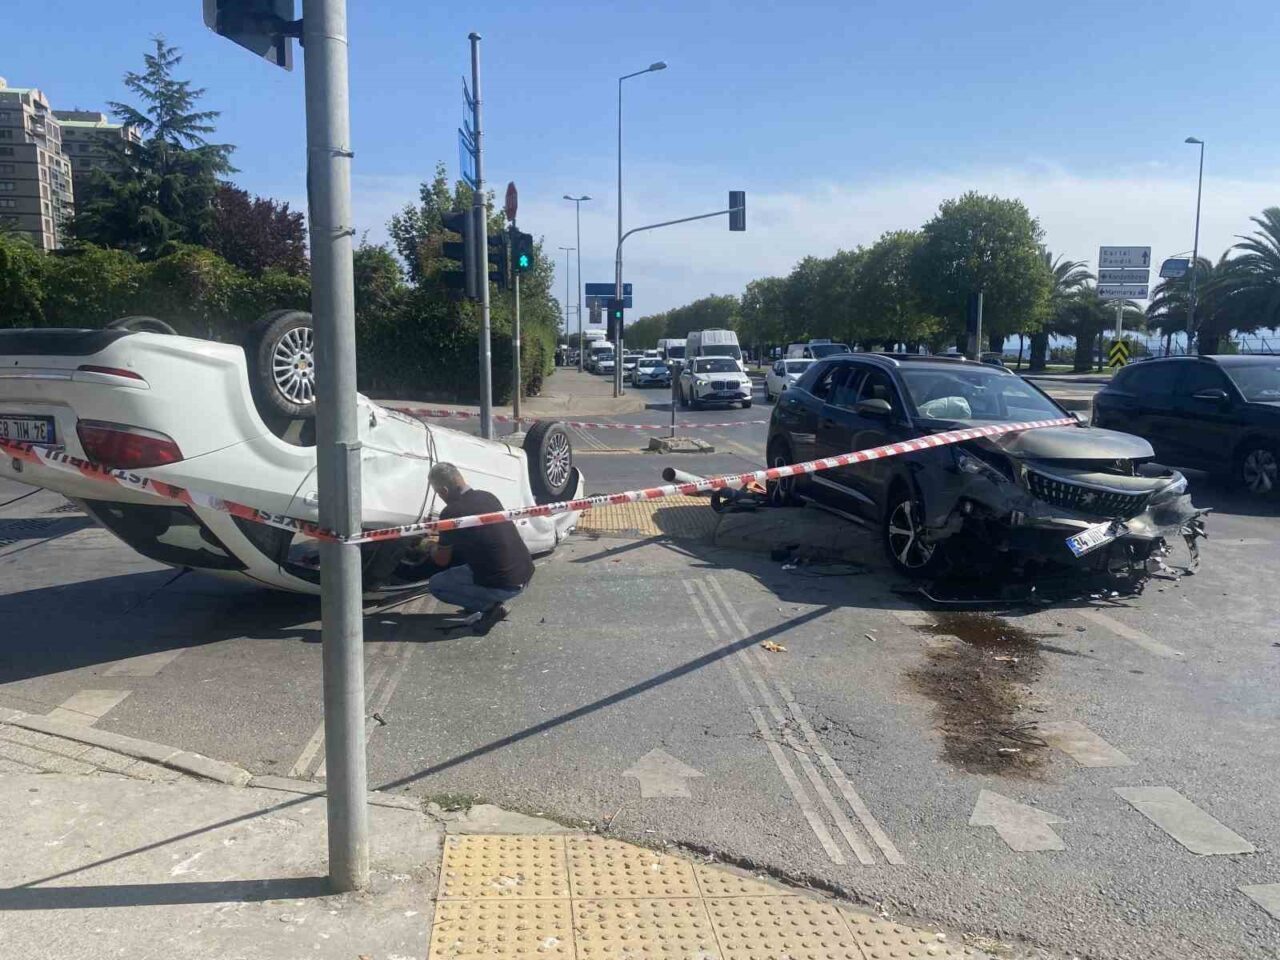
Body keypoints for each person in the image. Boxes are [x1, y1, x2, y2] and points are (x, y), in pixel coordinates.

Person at [423, 462, 534, 635]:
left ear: (444, 491)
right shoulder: (487, 497)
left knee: (436, 584)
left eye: (438, 493)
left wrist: (429, 545)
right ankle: (482, 601)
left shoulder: (451, 513)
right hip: (523, 573)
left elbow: (442, 560)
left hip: (504, 583)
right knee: (466, 567)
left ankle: (489, 607)